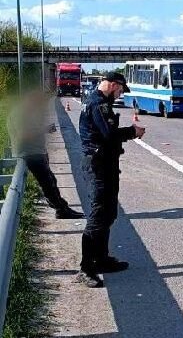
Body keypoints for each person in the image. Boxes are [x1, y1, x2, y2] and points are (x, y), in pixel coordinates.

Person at [77, 72, 145, 288]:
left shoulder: (97, 100)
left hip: (105, 164)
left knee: (108, 214)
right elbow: (109, 134)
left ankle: (101, 259)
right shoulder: (99, 104)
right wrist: (133, 132)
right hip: (98, 166)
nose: (120, 94)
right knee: (98, 216)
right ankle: (86, 268)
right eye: (120, 90)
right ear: (114, 85)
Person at [6, 91, 84, 219]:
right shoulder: (19, 114)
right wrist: (44, 130)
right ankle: (61, 209)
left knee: (51, 180)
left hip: (35, 152)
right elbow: (23, 135)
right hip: (30, 153)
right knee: (48, 183)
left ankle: (62, 208)